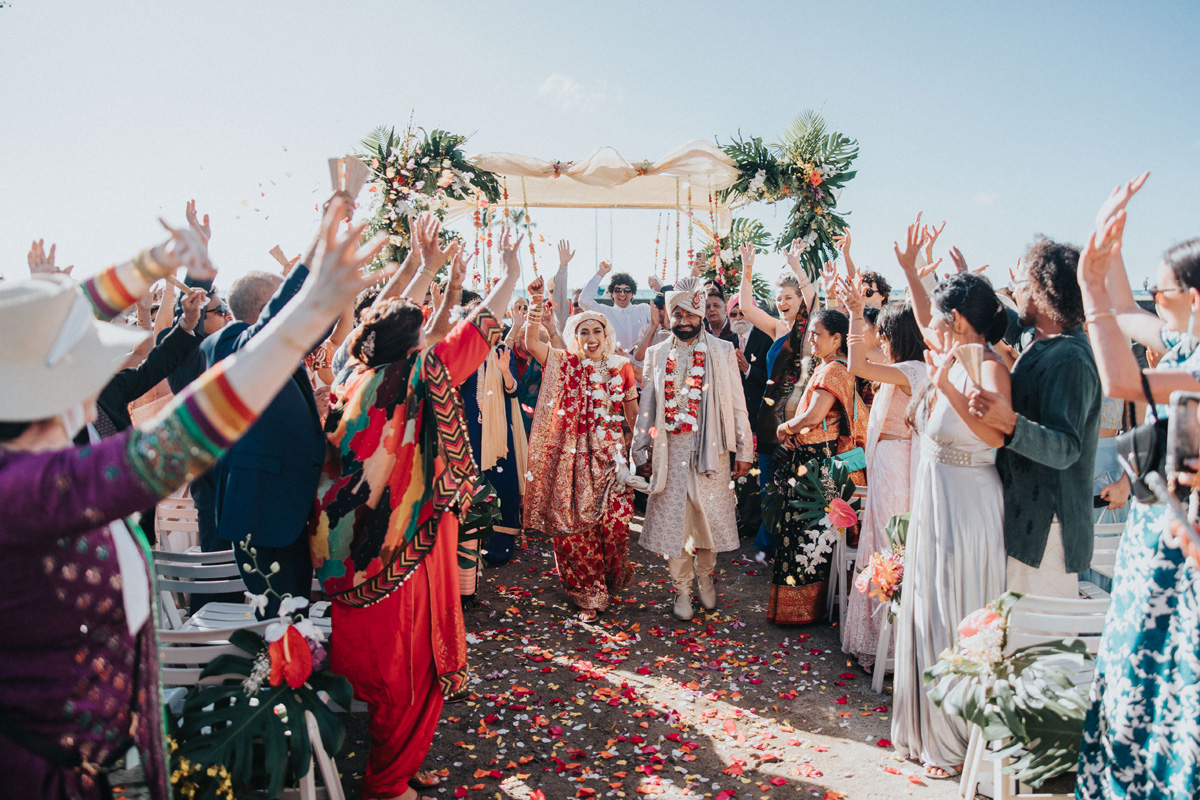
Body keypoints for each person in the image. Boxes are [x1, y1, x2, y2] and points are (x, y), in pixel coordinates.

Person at [0, 197, 385, 800]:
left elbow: (62, 321)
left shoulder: (38, 456)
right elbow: (181, 438)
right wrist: (305, 313)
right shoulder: (31, 490)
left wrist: (161, 259)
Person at [309, 228, 520, 800]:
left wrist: (421, 267)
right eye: (422, 329)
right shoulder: (418, 377)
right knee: (403, 669)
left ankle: (398, 760)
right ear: (412, 342)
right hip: (403, 544)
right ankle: (387, 783)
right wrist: (510, 272)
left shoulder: (356, 377)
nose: (430, 333)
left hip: (351, 546)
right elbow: (478, 328)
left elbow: (380, 319)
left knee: (385, 665)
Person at [1073, 174, 1200, 799]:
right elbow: (1125, 318)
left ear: (1196, 298)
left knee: (1167, 689)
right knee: (1137, 684)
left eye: (1162, 289)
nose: (1152, 296)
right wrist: (1110, 249)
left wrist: (1089, 285)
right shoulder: (1184, 341)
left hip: (1186, 555)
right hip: (1159, 539)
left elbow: (1121, 377)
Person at [889, 217, 1012, 779]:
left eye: (941, 317)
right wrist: (913, 270)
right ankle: (929, 728)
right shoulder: (954, 352)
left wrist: (945, 390)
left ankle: (957, 738)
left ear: (958, 321)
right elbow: (923, 314)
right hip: (938, 503)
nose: (928, 325)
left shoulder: (989, 365)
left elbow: (994, 436)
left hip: (969, 508)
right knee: (931, 609)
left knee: (956, 612)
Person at [967, 237, 1101, 599]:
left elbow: (1066, 448)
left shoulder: (1070, 359)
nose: (1015, 291)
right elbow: (1012, 325)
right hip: (1028, 522)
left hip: (1048, 530)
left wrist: (1009, 422)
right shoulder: (1043, 341)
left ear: (1041, 291)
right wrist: (973, 291)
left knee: (1042, 644)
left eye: (1021, 284)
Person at [201, 267, 324, 618]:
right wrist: (310, 264)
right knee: (279, 623)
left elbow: (314, 330)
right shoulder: (227, 342)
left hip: (288, 507)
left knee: (294, 620)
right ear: (268, 306)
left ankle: (293, 672)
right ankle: (278, 674)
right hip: (263, 512)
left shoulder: (276, 350)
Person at [631, 277, 753, 621]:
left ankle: (705, 576)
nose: (683, 320)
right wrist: (640, 451)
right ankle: (682, 588)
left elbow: (738, 405)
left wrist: (743, 449)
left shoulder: (722, 351)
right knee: (676, 526)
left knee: (708, 522)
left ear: (700, 314)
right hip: (669, 451)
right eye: (677, 314)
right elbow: (647, 407)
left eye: (690, 313)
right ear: (669, 317)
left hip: (710, 450)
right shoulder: (657, 354)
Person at [521, 277, 639, 622]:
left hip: (612, 458)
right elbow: (531, 342)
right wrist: (536, 301)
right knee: (577, 527)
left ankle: (608, 580)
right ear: (576, 337)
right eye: (584, 333)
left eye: (596, 332)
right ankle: (588, 592)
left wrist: (645, 447)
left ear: (607, 336)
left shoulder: (621, 367)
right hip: (573, 461)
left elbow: (631, 411)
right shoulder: (567, 365)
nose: (590, 339)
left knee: (616, 524)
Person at [839, 279, 928, 667]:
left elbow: (857, 363)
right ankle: (880, 641)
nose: (882, 341)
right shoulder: (905, 366)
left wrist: (857, 314)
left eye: (885, 334)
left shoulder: (912, 370)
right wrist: (853, 312)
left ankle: (892, 648)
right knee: (882, 545)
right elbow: (867, 353)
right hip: (889, 462)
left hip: (897, 466)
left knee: (891, 548)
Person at [767, 308, 867, 624]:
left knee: (804, 532)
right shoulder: (831, 367)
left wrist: (785, 429)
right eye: (810, 332)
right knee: (807, 533)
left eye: (817, 333)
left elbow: (813, 415)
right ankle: (804, 608)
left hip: (818, 463)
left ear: (837, 338)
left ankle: (800, 611)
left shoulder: (833, 370)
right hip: (815, 457)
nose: (811, 338)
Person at [737, 242, 818, 561]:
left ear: (799, 299)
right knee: (771, 487)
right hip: (770, 418)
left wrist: (797, 267)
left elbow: (815, 303)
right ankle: (769, 548)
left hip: (801, 416)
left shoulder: (811, 330)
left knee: (797, 488)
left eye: (788, 297)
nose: (781, 302)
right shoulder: (776, 328)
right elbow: (745, 307)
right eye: (779, 297)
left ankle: (793, 547)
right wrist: (747, 268)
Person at [723, 295, 773, 539]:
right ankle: (746, 519)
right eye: (734, 314)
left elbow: (773, 381)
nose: (739, 318)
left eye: (743, 313)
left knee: (756, 471)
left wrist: (748, 369)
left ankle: (759, 522)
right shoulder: (727, 341)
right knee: (738, 468)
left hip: (759, 416)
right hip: (733, 417)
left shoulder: (765, 339)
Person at [578, 262, 652, 363]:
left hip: (641, 367)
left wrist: (657, 288)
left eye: (627, 290)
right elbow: (584, 300)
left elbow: (664, 317)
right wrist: (601, 273)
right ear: (612, 294)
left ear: (633, 293)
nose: (622, 294)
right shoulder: (604, 312)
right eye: (618, 290)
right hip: (614, 366)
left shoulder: (644, 309)